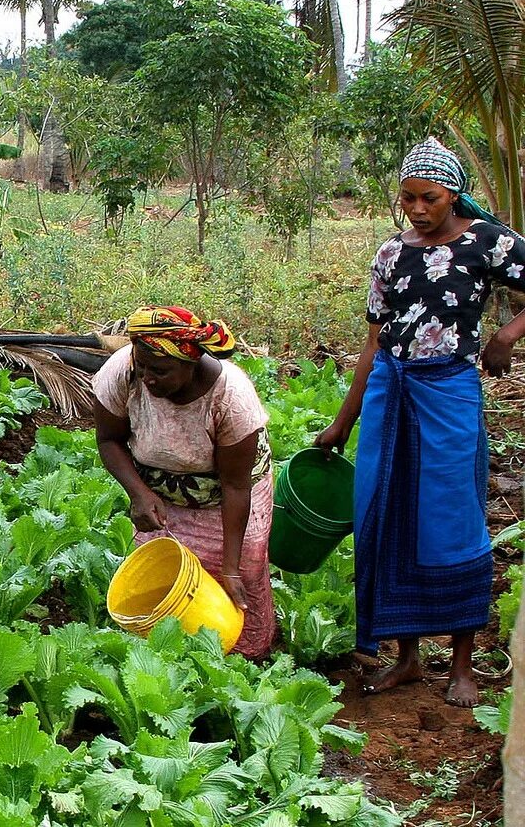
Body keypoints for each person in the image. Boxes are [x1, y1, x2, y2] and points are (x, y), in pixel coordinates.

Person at [315, 136, 525, 707]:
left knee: (451, 515)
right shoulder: (391, 254)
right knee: (384, 514)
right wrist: (343, 420)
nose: (417, 209)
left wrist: (507, 335)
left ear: (453, 195)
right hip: (392, 388)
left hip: (449, 390)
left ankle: (461, 665)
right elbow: (374, 338)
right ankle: (408, 658)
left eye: (428, 198)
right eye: (407, 199)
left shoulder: (487, 241)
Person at [93, 306, 276, 657]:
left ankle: (249, 659)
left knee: (240, 578)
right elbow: (109, 440)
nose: (147, 378)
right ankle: (168, 657)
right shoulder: (122, 372)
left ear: (190, 364)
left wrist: (231, 567)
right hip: (160, 492)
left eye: (160, 371)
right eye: (141, 366)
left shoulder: (231, 397)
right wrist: (139, 493)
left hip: (228, 496)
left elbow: (236, 488)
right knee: (163, 574)